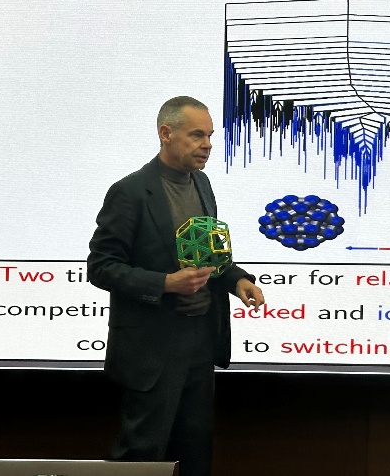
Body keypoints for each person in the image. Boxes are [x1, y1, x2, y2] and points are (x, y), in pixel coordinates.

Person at [88, 96, 265, 476]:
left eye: (210, 136)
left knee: (194, 452)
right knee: (142, 453)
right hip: (152, 348)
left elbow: (207, 255)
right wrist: (165, 283)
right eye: (197, 135)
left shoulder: (202, 184)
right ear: (166, 134)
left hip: (200, 341)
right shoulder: (131, 192)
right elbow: (101, 268)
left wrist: (236, 279)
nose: (207, 145)